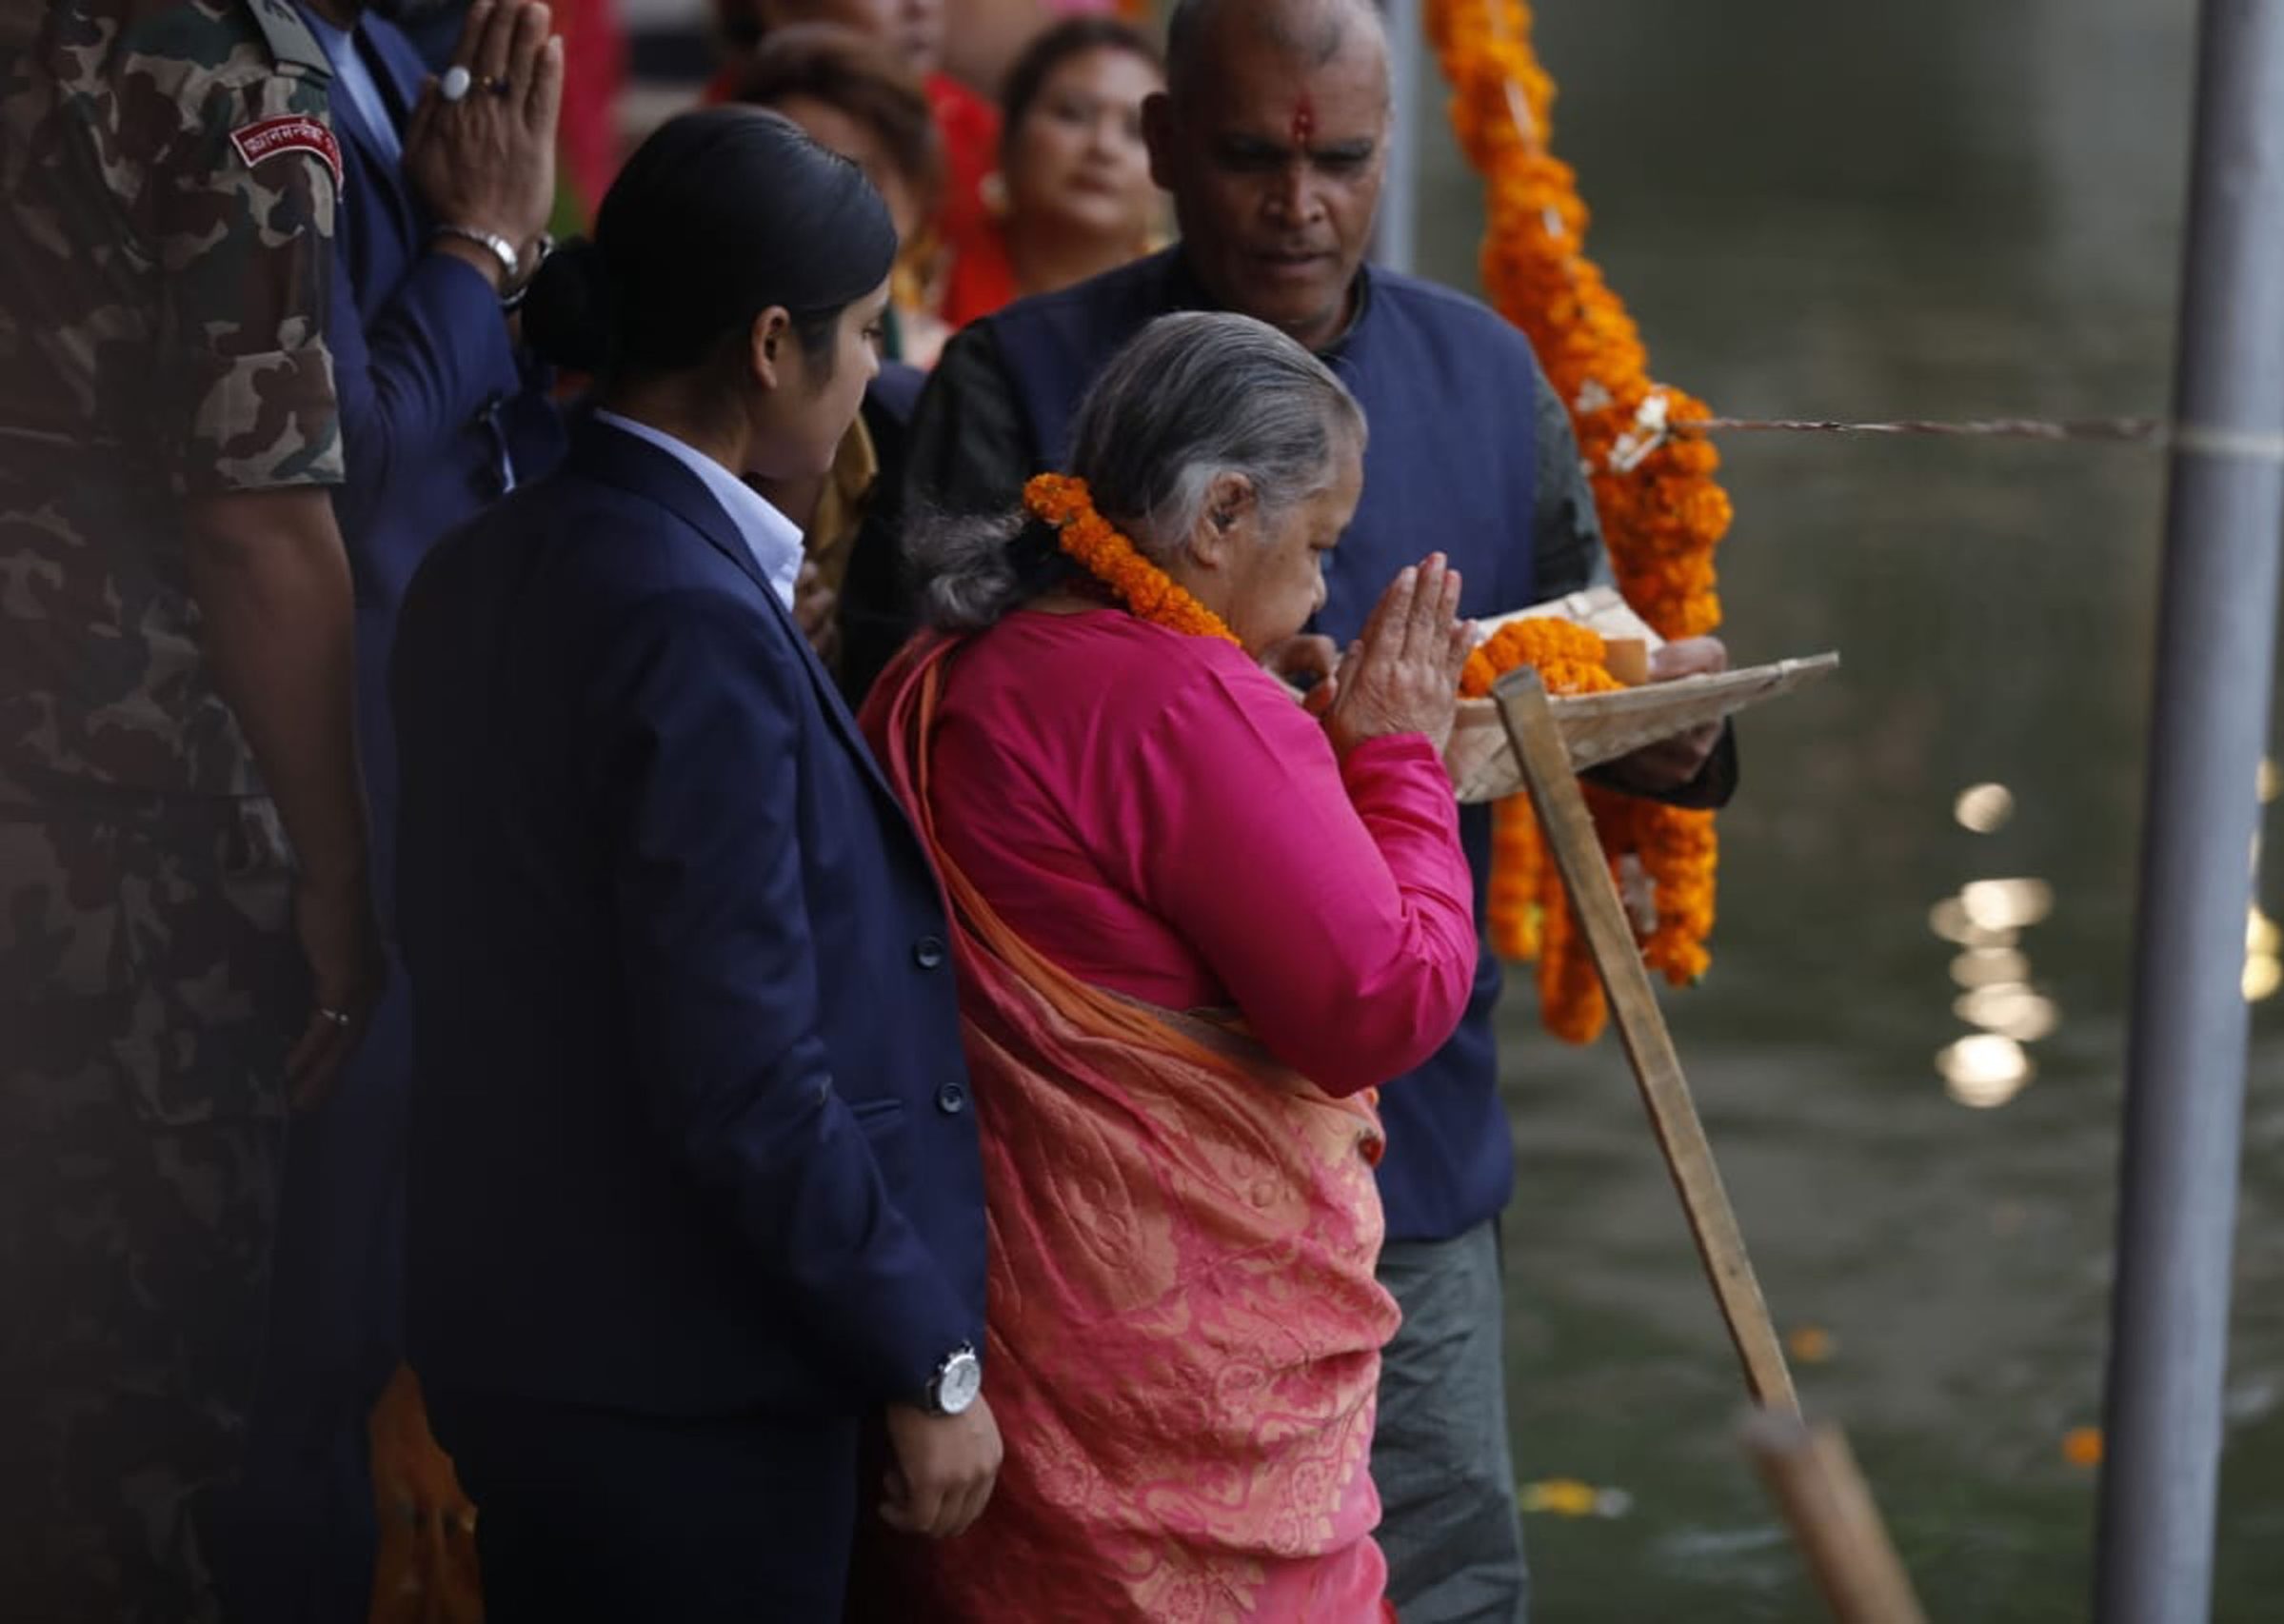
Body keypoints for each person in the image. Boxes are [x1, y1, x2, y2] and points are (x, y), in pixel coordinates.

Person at [847, 2, 1738, 1616]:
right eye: (1255, 157)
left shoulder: (1481, 371)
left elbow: (1581, 659)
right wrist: (1317, 746)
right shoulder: (1024, 376)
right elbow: (902, 763)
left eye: (1339, 162)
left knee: (1445, 1571)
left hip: (1413, 1136)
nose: (1299, 203)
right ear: (1168, 146)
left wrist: (1663, 732)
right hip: (1089, 1191)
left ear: (1386, 161)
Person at [387, 107, 998, 1622]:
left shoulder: (496, 552)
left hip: (527, 1332)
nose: (878, 374)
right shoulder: (685, 615)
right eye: (867, 334)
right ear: (774, 345)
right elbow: (738, 1065)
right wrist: (924, 1351)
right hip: (680, 1375)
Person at [861, 309, 1477, 1621]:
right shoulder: (1184, 705)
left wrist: (1275, 719)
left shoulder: (952, 654)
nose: (1321, 589)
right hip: (1164, 1397)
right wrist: (1400, 758)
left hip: (998, 1342)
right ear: (1222, 514)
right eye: (1314, 547)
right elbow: (1383, 999)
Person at [0, 0, 381, 1617]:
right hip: (109, 840)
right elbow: (255, 522)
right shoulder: (227, 68)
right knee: (124, 1455)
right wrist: (345, 889)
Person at [214, 0, 567, 1615]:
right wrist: (478, 251)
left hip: (419, 781)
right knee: (280, 1368)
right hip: (284, 804)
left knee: (365, 1339)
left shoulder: (403, 51)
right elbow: (332, 463)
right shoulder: (237, 67)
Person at [732, 25, 949, 365]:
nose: (819, 207)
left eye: (855, 177)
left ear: (915, 194)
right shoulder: (692, 365)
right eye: (794, 175)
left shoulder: (948, 370)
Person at [939, 15, 1165, 327]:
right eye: (1073, 114)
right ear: (1008, 138)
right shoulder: (926, 269)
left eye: (1135, 131)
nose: (1104, 147)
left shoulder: (1185, 315)